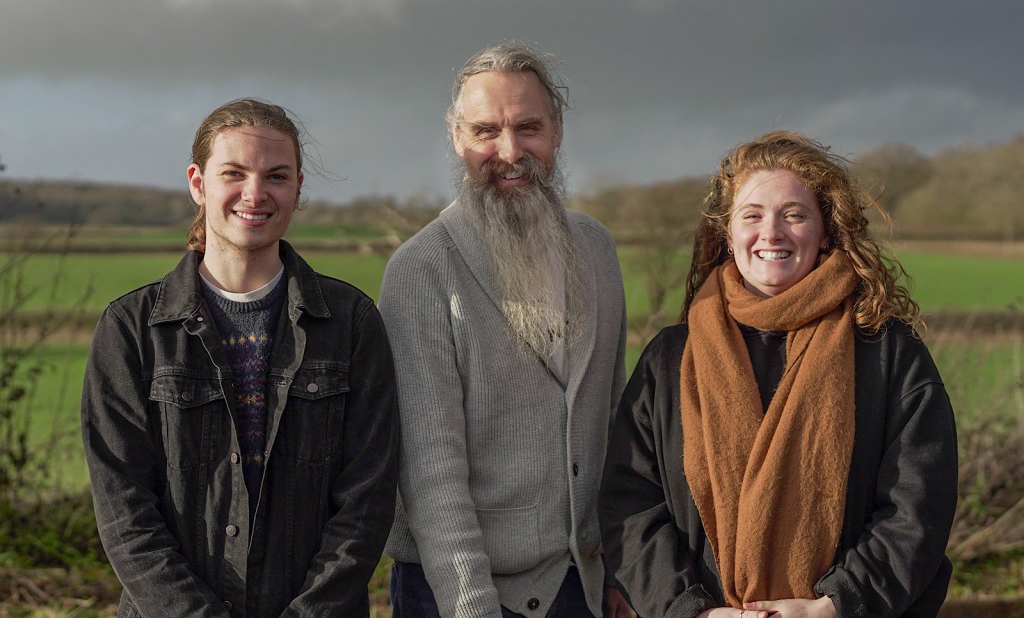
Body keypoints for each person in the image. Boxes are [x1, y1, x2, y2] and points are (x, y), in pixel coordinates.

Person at [599, 130, 958, 618]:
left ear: (825, 231)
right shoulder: (670, 359)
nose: (772, 233)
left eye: (794, 214)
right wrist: (690, 611)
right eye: (752, 216)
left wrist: (834, 606)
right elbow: (631, 504)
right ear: (728, 235)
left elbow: (918, 506)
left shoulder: (887, 351)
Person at [81, 98, 399, 617]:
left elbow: (367, 499)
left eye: (276, 176)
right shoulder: (131, 328)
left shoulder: (352, 323)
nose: (255, 193)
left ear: (298, 188)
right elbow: (124, 511)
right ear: (198, 183)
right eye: (234, 172)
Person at [378, 41, 632, 617]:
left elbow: (614, 423)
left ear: (558, 130)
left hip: (583, 586)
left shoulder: (596, 248)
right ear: (457, 138)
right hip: (454, 592)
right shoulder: (422, 270)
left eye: (528, 127)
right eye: (486, 131)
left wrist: (619, 571)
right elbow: (429, 471)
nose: (509, 151)